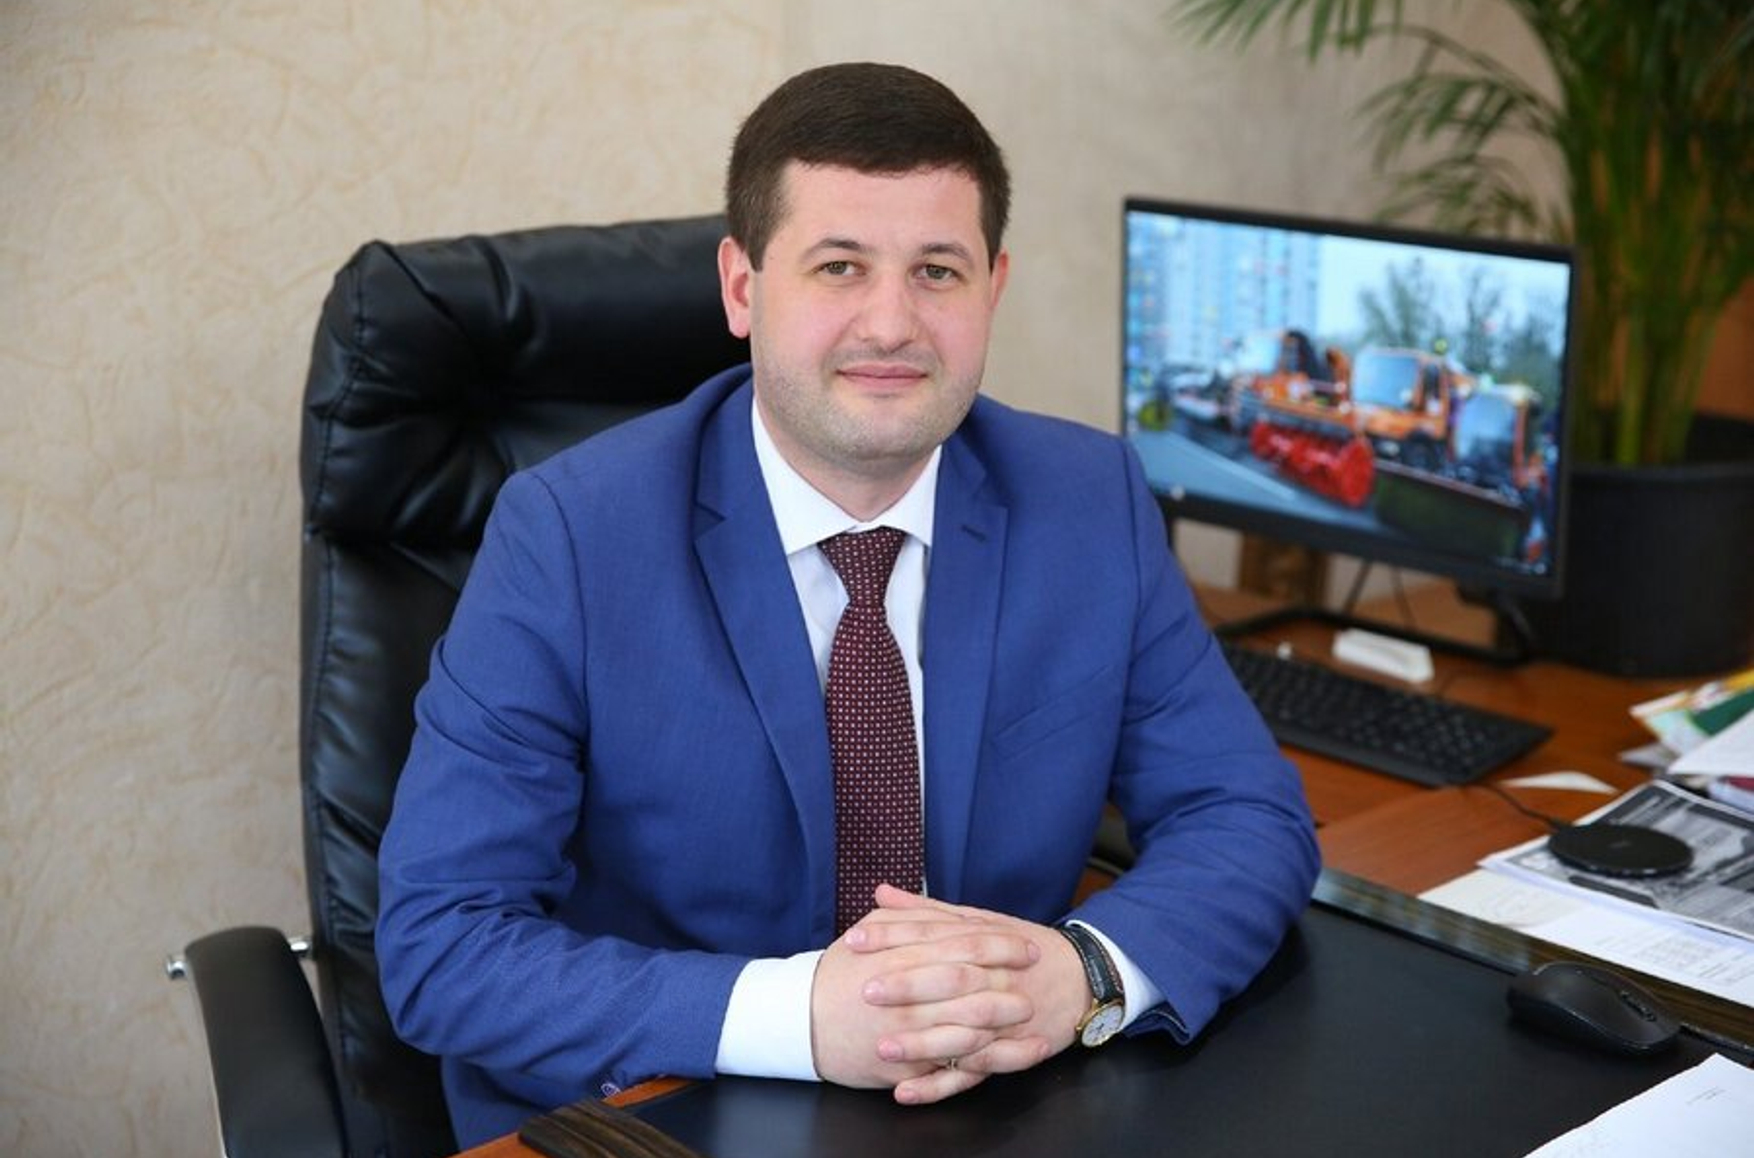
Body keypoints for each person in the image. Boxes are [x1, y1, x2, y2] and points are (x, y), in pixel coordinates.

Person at [377, 61, 1319, 1148]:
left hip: (992, 1104)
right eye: (838, 267)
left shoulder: (1086, 499)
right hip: (671, 1105)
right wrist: (802, 1018)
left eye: (937, 271)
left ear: (993, 288)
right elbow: (444, 942)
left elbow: (1244, 814)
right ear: (742, 287)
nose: (890, 324)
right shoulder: (570, 535)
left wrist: (1080, 974)